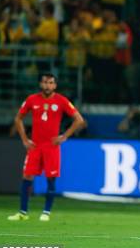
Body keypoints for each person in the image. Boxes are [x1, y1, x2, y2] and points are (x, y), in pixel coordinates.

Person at [7, 73, 85, 221]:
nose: (47, 85)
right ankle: (23, 212)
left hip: (51, 147)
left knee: (51, 179)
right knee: (27, 176)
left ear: (55, 85)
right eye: (45, 82)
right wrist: (24, 139)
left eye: (50, 83)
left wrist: (64, 136)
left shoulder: (61, 101)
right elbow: (18, 118)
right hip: (35, 146)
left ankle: (46, 212)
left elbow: (79, 120)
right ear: (40, 84)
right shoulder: (32, 99)